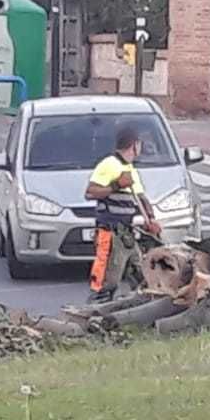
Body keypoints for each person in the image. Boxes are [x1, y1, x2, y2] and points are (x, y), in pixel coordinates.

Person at [84, 127, 162, 302]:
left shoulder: (129, 168)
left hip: (126, 234)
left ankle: (142, 311)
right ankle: (95, 312)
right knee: (106, 282)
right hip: (110, 234)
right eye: (140, 144)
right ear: (134, 145)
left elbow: (140, 197)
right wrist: (116, 185)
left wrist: (151, 220)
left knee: (141, 275)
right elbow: (90, 192)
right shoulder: (109, 164)